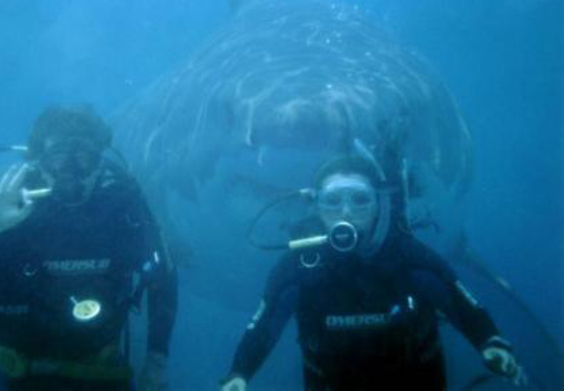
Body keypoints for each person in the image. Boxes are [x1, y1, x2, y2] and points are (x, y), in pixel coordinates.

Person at [220, 146, 527, 391]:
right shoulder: (300, 265)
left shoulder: (407, 256)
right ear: (316, 206)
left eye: (360, 200)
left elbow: (459, 303)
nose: (347, 212)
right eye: (333, 201)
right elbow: (265, 325)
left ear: (379, 205)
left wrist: (490, 342)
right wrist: (240, 372)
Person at [0, 105, 177, 391]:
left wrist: (156, 362)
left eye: (84, 156)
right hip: (20, 379)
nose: (71, 171)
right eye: (58, 157)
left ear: (99, 163)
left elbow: (163, 280)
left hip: (102, 376)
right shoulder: (9, 207)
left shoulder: (122, 207)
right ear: (39, 162)